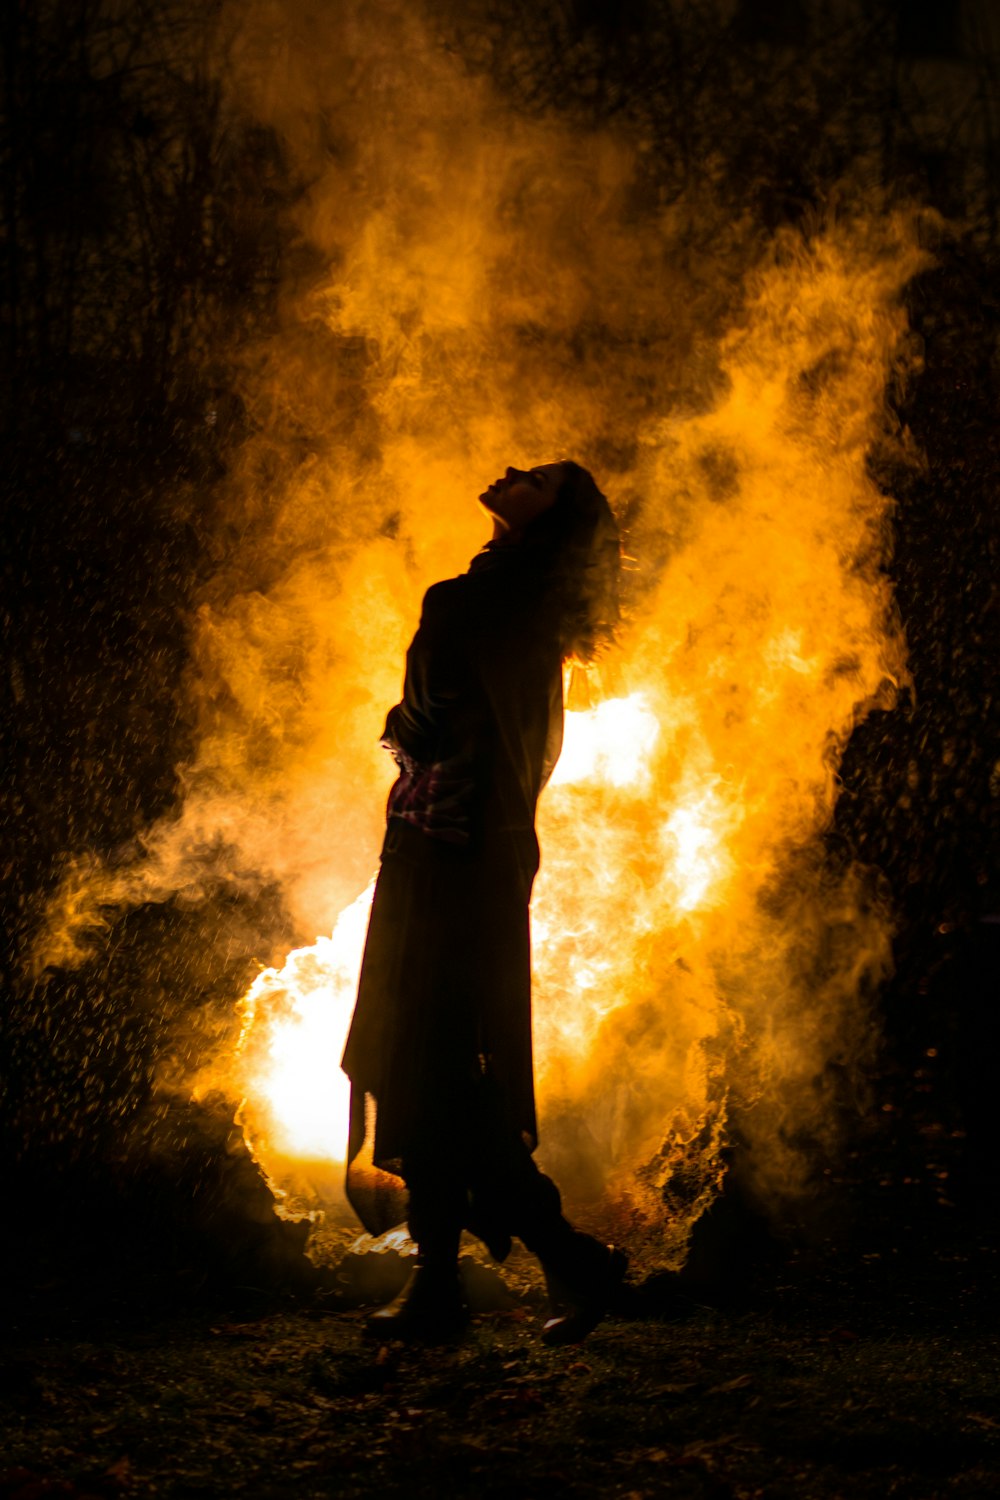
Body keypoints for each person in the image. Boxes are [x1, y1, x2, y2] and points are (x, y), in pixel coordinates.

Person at [341, 460, 626, 1344]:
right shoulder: (496, 594)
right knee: (424, 1059)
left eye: (537, 477)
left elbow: (445, 718)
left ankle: (550, 1265)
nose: (511, 472)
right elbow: (432, 716)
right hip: (434, 847)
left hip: (463, 856)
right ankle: (467, 1281)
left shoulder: (514, 605)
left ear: (554, 519)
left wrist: (413, 730)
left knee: (443, 1062)